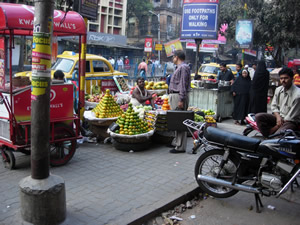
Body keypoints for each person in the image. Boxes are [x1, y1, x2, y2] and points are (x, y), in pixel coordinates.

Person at [256, 68, 300, 137]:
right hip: (279, 118)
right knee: (258, 116)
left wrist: (277, 126)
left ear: (292, 79)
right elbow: (274, 106)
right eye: (281, 78)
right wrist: (278, 117)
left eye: (286, 78)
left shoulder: (298, 94)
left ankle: (272, 135)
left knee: (277, 137)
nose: (283, 80)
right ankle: (268, 135)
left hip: (291, 122)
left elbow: (291, 117)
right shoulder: (278, 90)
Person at [168, 50, 191, 154]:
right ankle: (177, 143)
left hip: (178, 96)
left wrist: (181, 99)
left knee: (180, 121)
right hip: (176, 95)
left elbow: (182, 84)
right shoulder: (180, 67)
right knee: (176, 121)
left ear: (176, 57)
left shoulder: (183, 67)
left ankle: (180, 147)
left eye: (173, 57)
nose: (173, 59)